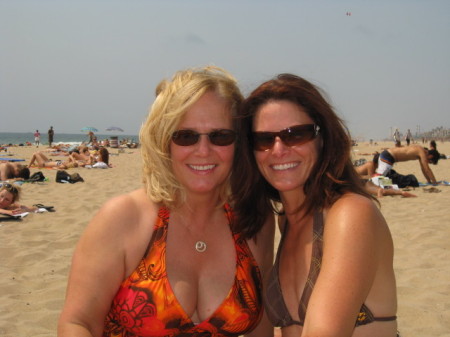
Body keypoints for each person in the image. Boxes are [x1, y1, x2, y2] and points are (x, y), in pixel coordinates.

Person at [58, 66, 275, 337]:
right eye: (186, 136)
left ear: (238, 143)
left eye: (221, 136)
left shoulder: (254, 219)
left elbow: (261, 325)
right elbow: (78, 323)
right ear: (164, 141)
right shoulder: (124, 218)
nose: (203, 151)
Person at [232, 74, 397, 337]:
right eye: (264, 140)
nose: (278, 149)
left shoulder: (351, 215)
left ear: (323, 138)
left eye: (296, 135)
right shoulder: (285, 220)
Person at [375, 145, 440, 184]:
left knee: (382, 180)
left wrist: (429, 181)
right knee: (381, 181)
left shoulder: (420, 151)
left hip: (388, 156)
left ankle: (369, 179)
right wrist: (435, 182)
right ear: (431, 156)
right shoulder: (421, 152)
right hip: (388, 156)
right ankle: (366, 179)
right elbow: (427, 169)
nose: (428, 162)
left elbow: (423, 169)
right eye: (430, 161)